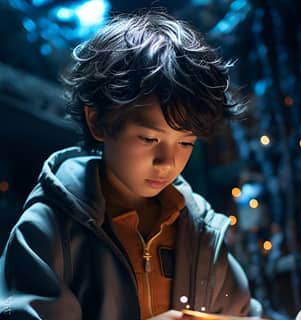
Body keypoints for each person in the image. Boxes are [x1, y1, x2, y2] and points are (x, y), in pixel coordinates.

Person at [0, 11, 261, 320]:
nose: (167, 162)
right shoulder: (50, 229)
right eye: (149, 139)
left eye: (185, 143)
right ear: (97, 121)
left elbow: (244, 313)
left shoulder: (201, 231)